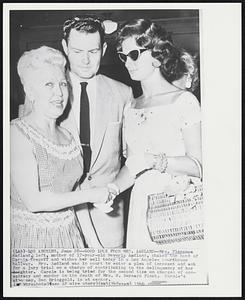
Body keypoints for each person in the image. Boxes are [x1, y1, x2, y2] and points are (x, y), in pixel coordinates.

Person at [107, 19, 202, 248]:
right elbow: (132, 166)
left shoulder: (184, 101)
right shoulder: (131, 106)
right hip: (141, 205)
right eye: (123, 56)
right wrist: (112, 190)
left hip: (176, 204)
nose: (128, 63)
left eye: (134, 54)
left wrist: (153, 161)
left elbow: (199, 165)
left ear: (158, 55)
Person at [11, 46, 111, 248]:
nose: (59, 93)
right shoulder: (17, 133)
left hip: (69, 236)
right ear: (30, 91)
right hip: (32, 239)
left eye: (63, 84)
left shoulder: (68, 136)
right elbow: (34, 201)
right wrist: (92, 194)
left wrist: (94, 244)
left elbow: (76, 194)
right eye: (48, 84)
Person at [59, 16, 133, 248]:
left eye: (92, 51)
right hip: (60, 211)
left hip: (108, 211)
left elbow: (130, 156)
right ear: (64, 48)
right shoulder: (48, 91)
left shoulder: (123, 93)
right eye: (77, 51)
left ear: (104, 49)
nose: (85, 60)